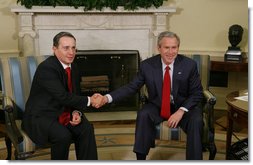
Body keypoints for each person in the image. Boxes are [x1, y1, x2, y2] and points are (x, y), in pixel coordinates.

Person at [96, 31, 204, 160]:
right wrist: (106, 98)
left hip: (184, 106)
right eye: (166, 47)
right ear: (159, 48)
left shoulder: (189, 65)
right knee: (143, 114)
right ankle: (141, 159)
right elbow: (132, 87)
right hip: (158, 105)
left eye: (174, 47)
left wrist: (181, 111)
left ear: (178, 47)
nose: (171, 52)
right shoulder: (147, 65)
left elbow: (197, 93)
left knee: (196, 120)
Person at [22, 31, 102, 160]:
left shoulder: (74, 67)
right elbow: (63, 96)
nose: (71, 52)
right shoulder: (47, 68)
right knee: (62, 135)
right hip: (42, 116)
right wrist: (90, 100)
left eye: (73, 48)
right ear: (54, 49)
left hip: (65, 111)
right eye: (66, 48)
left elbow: (75, 95)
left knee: (86, 128)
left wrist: (76, 112)